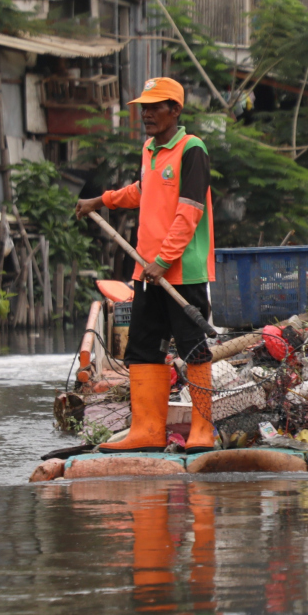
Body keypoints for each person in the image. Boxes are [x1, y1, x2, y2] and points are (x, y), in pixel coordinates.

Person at [74, 76, 218, 454]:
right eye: (144, 107)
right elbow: (142, 191)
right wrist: (100, 200)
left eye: (156, 107)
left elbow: (190, 212)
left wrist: (164, 260)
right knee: (141, 349)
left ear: (176, 109)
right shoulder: (150, 149)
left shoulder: (192, 149)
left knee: (193, 349)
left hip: (180, 272)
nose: (147, 114)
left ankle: (204, 431)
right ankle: (147, 430)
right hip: (146, 272)